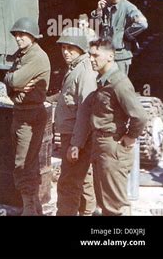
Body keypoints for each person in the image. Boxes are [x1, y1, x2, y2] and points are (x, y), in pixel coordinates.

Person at [85, 38, 147, 216]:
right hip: (101, 146)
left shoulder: (118, 82)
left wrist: (130, 137)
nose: (91, 59)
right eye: (90, 55)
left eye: (96, 55)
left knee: (115, 207)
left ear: (110, 56)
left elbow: (140, 116)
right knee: (105, 203)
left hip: (112, 147)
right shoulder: (104, 81)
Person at [4, 17, 50, 215]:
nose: (18, 38)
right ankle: (34, 207)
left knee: (23, 164)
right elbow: (9, 80)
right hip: (21, 113)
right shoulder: (22, 55)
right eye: (16, 35)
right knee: (28, 162)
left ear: (32, 36)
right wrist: (13, 83)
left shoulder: (37, 57)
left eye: (22, 35)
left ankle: (29, 210)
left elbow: (14, 80)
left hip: (30, 116)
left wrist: (14, 82)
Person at [54, 27, 97, 216]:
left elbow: (86, 111)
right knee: (84, 178)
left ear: (81, 48)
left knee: (68, 183)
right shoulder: (76, 68)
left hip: (75, 136)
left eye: (71, 48)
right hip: (73, 135)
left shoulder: (84, 71)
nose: (66, 52)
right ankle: (88, 212)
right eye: (63, 47)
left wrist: (76, 144)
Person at [90, 0, 148, 75]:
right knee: (103, 86)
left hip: (120, 57)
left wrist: (126, 35)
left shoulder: (128, 7)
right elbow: (93, 27)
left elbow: (142, 23)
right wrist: (98, 11)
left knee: (118, 87)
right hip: (104, 54)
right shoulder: (104, 6)